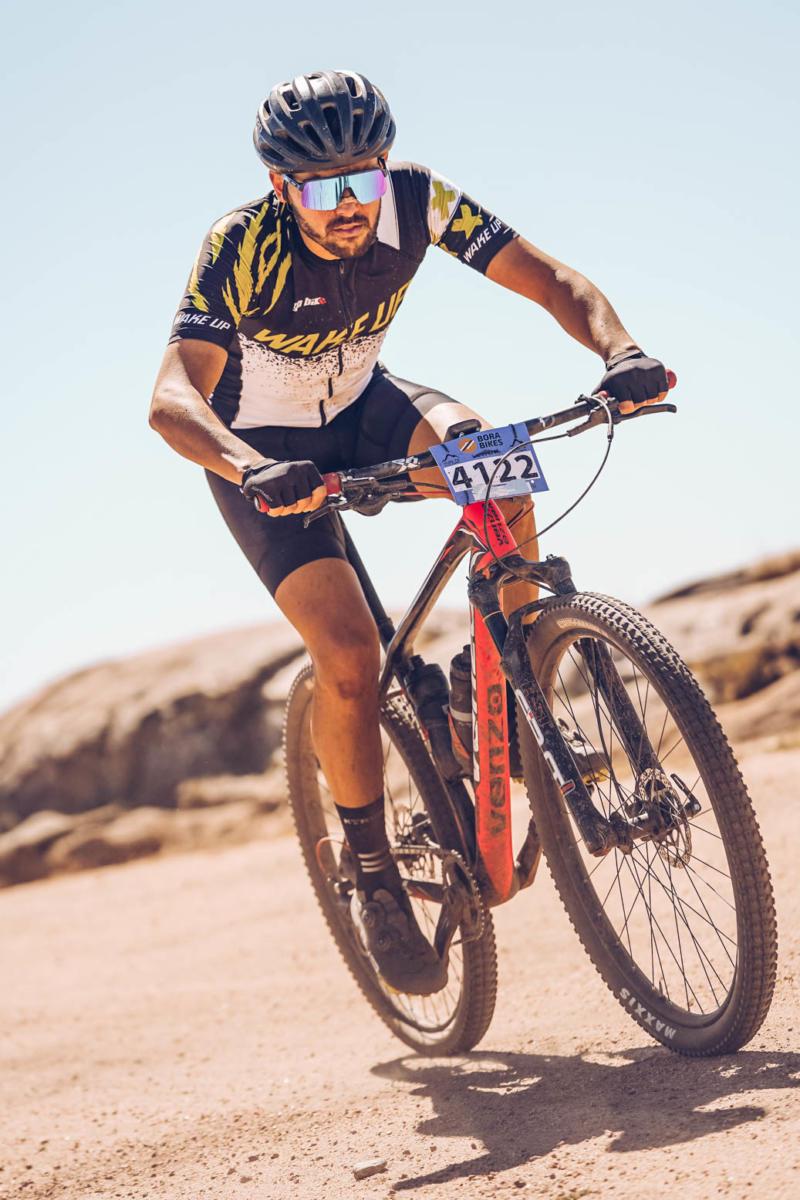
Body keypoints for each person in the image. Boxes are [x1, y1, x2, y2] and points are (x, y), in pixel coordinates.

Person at [150, 69, 669, 996]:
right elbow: (171, 397)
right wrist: (246, 466)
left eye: (364, 179)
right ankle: (376, 878)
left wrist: (619, 349)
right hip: (261, 454)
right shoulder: (239, 245)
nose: (349, 205)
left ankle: (485, 686)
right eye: (323, 188)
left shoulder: (419, 200)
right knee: (351, 658)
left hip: (363, 408)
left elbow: (550, 279)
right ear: (281, 187)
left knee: (499, 467)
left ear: (386, 168)